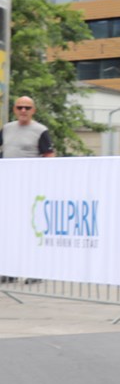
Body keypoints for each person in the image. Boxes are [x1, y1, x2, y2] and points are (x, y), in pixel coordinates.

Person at [1, 96, 55, 283]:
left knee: (32, 230)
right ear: (14, 109)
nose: (23, 111)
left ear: (34, 110)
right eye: (20, 107)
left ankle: (36, 270)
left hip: (31, 188)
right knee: (10, 229)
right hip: (9, 188)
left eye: (27, 107)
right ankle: (10, 270)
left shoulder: (40, 131)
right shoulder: (7, 129)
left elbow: (49, 156)